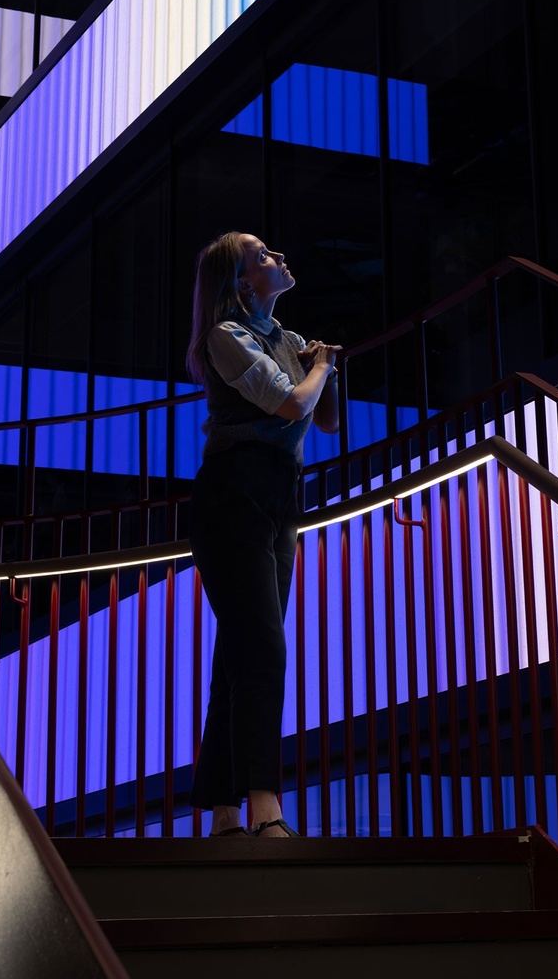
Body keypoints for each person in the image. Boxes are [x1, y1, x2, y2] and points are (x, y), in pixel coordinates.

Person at [185, 231, 341, 838]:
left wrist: (326, 367)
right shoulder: (225, 336)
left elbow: (324, 419)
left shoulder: (292, 340)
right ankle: (263, 803)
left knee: (240, 648)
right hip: (233, 493)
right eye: (263, 255)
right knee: (265, 645)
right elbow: (290, 407)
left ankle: (223, 808)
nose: (280, 255)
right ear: (242, 283)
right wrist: (320, 368)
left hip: (281, 493)